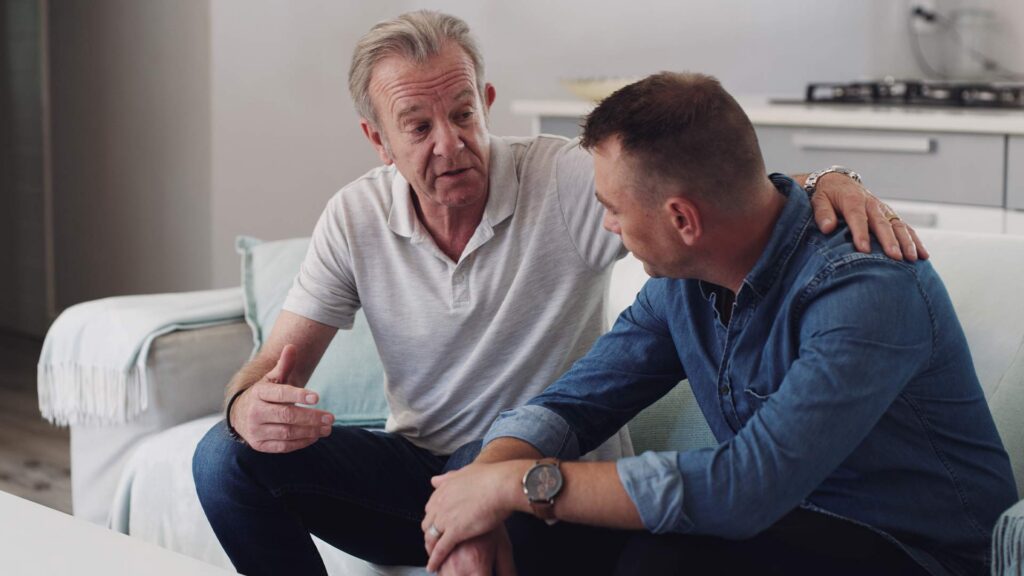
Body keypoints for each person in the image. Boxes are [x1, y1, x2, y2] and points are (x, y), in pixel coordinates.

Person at [192, 11, 926, 576]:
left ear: (486, 102)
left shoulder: (576, 185)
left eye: (462, 115)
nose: (448, 144)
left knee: (658, 552)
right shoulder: (357, 216)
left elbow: (709, 181)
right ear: (379, 141)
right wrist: (247, 407)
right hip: (442, 470)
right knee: (222, 457)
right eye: (417, 126)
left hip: (547, 491)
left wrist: (828, 179)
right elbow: (582, 395)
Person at [421, 72, 1018, 576]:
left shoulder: (865, 291)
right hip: (782, 528)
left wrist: (517, 485)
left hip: (915, 552)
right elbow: (575, 403)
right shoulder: (681, 286)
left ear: (682, 218)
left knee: (664, 561)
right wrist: (480, 487)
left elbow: (742, 488)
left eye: (612, 209)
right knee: (533, 536)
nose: (608, 227)